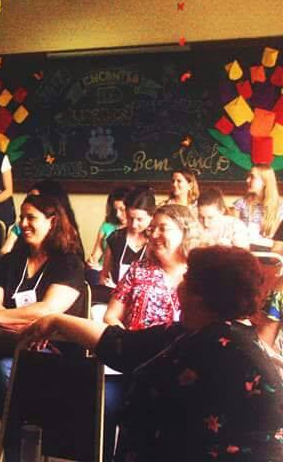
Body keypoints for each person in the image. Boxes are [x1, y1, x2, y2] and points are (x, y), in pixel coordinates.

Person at [21, 246, 283, 461]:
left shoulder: (206, 345)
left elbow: (126, 353)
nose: (180, 284)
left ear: (201, 295)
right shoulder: (216, 334)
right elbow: (122, 345)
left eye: (188, 277)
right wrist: (57, 320)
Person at [0, 195, 85, 459]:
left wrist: (0, 318)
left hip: (47, 349)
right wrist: (20, 320)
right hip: (1, 343)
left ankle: (18, 450)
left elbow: (48, 309)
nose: (23, 224)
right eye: (21, 217)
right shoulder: (11, 261)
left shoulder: (68, 263)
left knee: (6, 369)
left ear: (52, 221)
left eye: (31, 217)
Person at [103, 204, 200, 330]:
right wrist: (127, 341)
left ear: (185, 232)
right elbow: (110, 316)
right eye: (151, 229)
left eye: (162, 229)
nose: (154, 235)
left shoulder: (199, 273)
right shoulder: (138, 270)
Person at [0, 179, 81, 256]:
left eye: (35, 199)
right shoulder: (21, 228)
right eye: (28, 198)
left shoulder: (68, 242)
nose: (30, 203)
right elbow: (4, 253)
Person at [100, 186, 156, 288]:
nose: (134, 224)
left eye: (140, 219)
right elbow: (104, 274)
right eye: (130, 218)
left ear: (152, 216)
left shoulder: (156, 241)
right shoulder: (115, 238)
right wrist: (106, 282)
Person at [234, 164, 283, 249]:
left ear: (265, 182)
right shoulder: (241, 203)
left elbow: (278, 243)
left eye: (252, 177)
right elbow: (232, 230)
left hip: (269, 253)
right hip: (244, 251)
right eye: (248, 176)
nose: (247, 180)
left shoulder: (279, 208)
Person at [86, 187, 129, 273]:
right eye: (115, 210)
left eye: (122, 209)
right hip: (101, 270)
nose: (118, 214)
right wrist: (91, 263)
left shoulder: (138, 229)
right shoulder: (107, 226)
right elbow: (95, 255)